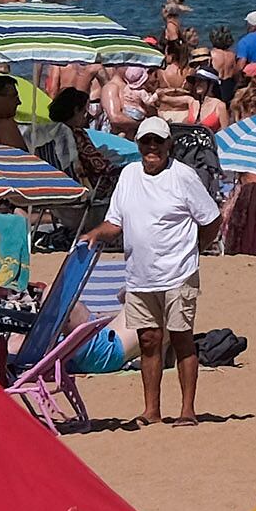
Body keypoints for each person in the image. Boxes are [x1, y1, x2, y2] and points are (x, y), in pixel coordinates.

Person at [91, 113, 221, 424]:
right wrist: (95, 233)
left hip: (179, 271)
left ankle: (187, 410)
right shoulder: (129, 175)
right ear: (138, 145)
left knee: (180, 337)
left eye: (157, 142)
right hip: (139, 275)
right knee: (148, 340)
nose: (152, 147)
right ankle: (152, 411)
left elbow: (211, 219)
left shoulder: (183, 176)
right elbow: (115, 222)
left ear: (168, 145)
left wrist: (196, 250)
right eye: (146, 141)